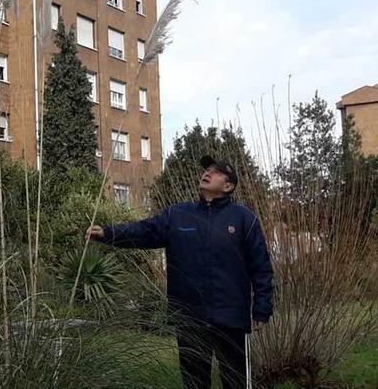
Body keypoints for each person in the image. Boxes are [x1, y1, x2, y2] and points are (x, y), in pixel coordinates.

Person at [87, 155, 273, 389]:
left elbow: (261, 267)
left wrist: (262, 308)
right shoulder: (177, 215)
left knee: (234, 381)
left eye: (215, 171)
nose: (207, 173)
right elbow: (144, 231)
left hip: (230, 318)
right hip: (188, 317)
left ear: (228, 186)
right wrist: (107, 233)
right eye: (206, 169)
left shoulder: (245, 219)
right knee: (194, 382)